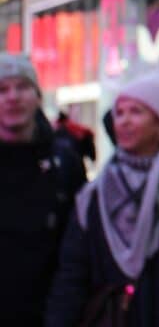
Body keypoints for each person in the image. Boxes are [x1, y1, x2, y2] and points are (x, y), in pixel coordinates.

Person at [47, 71, 159, 327]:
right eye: (119, 113)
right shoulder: (95, 193)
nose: (124, 121)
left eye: (136, 112)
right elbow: (72, 275)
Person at [0, 52, 86, 327]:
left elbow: (76, 255)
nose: (12, 97)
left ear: (37, 96)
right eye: (2, 89)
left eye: (23, 87)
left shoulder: (66, 163)